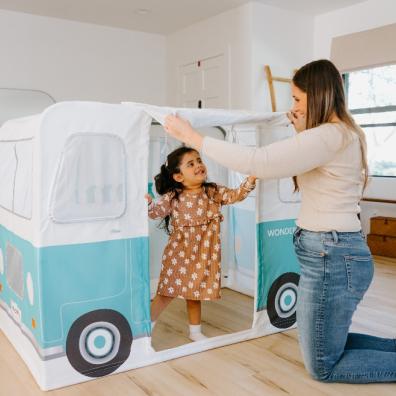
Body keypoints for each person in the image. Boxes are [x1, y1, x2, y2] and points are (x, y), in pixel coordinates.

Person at [162, 59, 396, 382]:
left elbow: (259, 161)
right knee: (325, 346)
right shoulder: (338, 134)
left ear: (318, 96)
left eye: (298, 99)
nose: (294, 107)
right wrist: (301, 130)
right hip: (331, 252)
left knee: (322, 366)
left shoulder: (330, 136)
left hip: (333, 255)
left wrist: (194, 138)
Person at [147, 146, 256, 341]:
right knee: (165, 293)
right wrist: (148, 203)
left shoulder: (212, 192)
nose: (198, 165)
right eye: (191, 164)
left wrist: (250, 180)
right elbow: (154, 212)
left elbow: (235, 195)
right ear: (179, 177)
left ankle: (195, 332)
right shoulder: (174, 197)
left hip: (203, 254)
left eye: (199, 161)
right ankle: (145, 330)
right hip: (179, 253)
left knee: (194, 293)